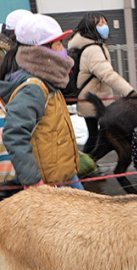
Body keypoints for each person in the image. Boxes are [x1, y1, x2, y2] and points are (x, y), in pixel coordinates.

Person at [0, 13, 83, 190]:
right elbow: (14, 134)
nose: (63, 50)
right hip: (48, 185)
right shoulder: (35, 88)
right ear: (41, 51)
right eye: (58, 44)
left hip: (62, 176)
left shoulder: (49, 81)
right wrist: (33, 181)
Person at [67, 12, 136, 154]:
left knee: (98, 136)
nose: (105, 27)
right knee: (98, 138)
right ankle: (86, 167)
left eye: (105, 23)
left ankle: (88, 166)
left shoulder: (93, 46)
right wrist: (129, 92)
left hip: (92, 99)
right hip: (94, 101)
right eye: (100, 24)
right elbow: (107, 74)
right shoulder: (93, 49)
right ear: (91, 28)